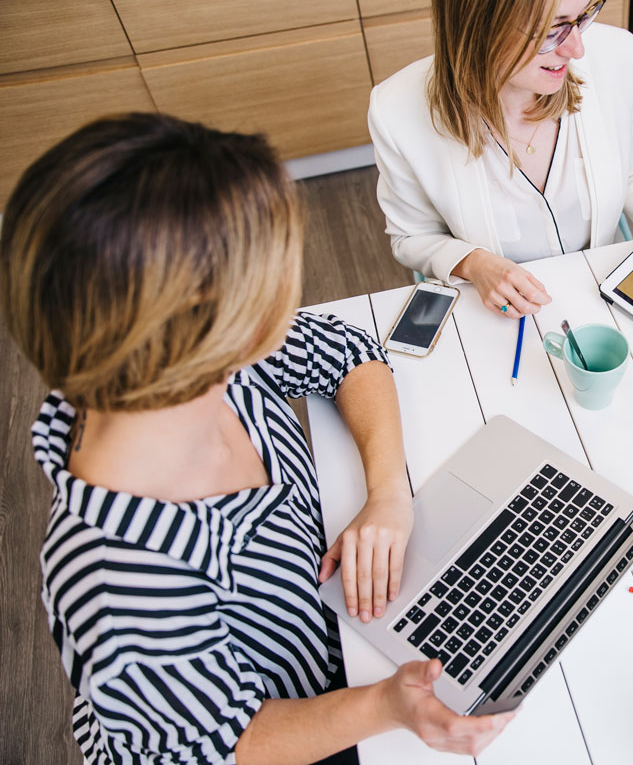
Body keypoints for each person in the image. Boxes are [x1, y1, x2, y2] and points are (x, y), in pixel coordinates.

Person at [0, 113, 513, 764]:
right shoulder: (115, 582)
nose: (289, 284)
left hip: (349, 636)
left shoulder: (187, 365)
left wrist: (389, 495)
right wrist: (386, 706)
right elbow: (221, 747)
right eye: (273, 272)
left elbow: (346, 351)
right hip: (299, 722)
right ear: (208, 320)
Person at [368, 0, 633, 319]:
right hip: (499, 317)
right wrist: (475, 264)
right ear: (478, 23)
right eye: (551, 30)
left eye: (582, 16)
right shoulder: (396, 111)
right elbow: (411, 237)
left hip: (603, 291)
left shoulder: (619, 56)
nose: (577, 49)